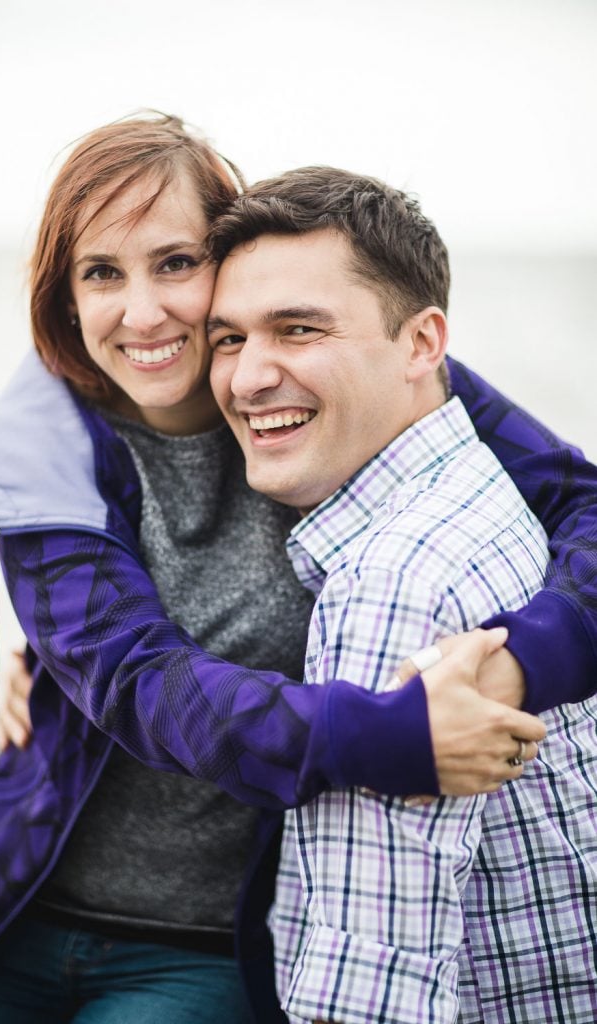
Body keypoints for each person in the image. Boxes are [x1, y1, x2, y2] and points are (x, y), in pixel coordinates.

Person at [0, 113, 594, 1022]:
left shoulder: (336, 387)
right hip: (12, 907)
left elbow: (580, 504)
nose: (143, 310)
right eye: (100, 272)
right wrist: (387, 733)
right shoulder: (40, 457)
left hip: (205, 942)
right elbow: (136, 681)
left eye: (175, 262)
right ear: (65, 300)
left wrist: (521, 658)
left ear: (226, 260)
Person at [205, 166, 597, 1022]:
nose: (245, 378)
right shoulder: (489, 490)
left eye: (297, 329)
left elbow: (367, 989)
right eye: (228, 338)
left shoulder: (392, 587)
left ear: (422, 344)